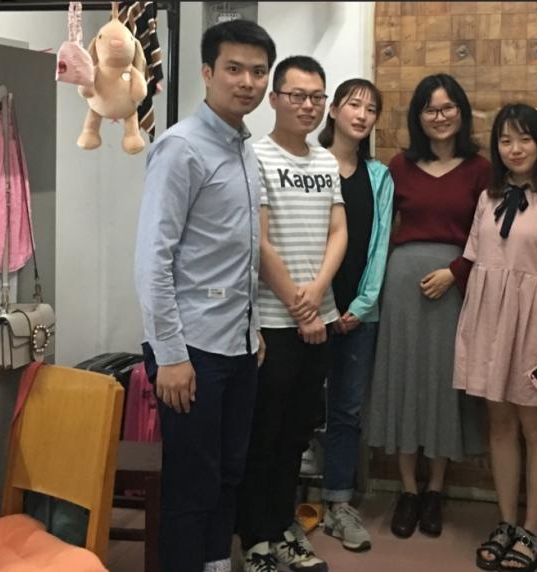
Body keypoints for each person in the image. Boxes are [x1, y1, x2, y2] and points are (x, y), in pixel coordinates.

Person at [133, 19, 274, 572]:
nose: (247, 82)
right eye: (234, 69)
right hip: (190, 350)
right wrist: (170, 355)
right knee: (192, 484)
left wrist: (253, 327)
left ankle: (216, 564)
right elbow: (152, 260)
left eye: (258, 71)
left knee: (228, 474)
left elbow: (237, 252)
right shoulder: (181, 148)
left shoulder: (244, 149)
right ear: (207, 73)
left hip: (237, 344)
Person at [365, 73, 489, 539]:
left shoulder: (480, 169)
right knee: (402, 380)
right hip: (401, 288)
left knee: (442, 384)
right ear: (418, 117)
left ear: (461, 112)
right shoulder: (399, 166)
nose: (439, 117)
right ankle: (408, 490)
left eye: (447, 107)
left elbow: (487, 235)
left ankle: (435, 489)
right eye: (430, 109)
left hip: (454, 289)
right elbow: (382, 228)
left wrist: (455, 272)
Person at [236, 56, 345, 572]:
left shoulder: (326, 162)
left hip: (319, 320)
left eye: (317, 97)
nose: (308, 105)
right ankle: (255, 540)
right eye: (297, 95)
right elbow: (258, 242)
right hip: (273, 324)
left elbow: (338, 231)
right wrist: (299, 309)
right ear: (275, 98)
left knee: (296, 437)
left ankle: (283, 529)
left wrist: (317, 294)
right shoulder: (254, 156)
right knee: (263, 435)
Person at [457, 103, 537, 572]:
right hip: (489, 320)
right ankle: (506, 522)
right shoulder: (488, 198)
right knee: (500, 425)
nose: (515, 148)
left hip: (535, 324)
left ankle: (532, 529)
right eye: (505, 140)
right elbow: (477, 262)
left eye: (524, 138)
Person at [315, 78, 393, 552]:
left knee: (347, 410)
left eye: (371, 109)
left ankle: (338, 503)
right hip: (309, 312)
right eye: (353, 105)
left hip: (359, 315)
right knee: (296, 409)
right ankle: (280, 504)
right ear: (334, 110)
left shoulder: (379, 176)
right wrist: (319, 306)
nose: (362, 115)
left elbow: (379, 245)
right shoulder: (309, 165)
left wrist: (361, 306)